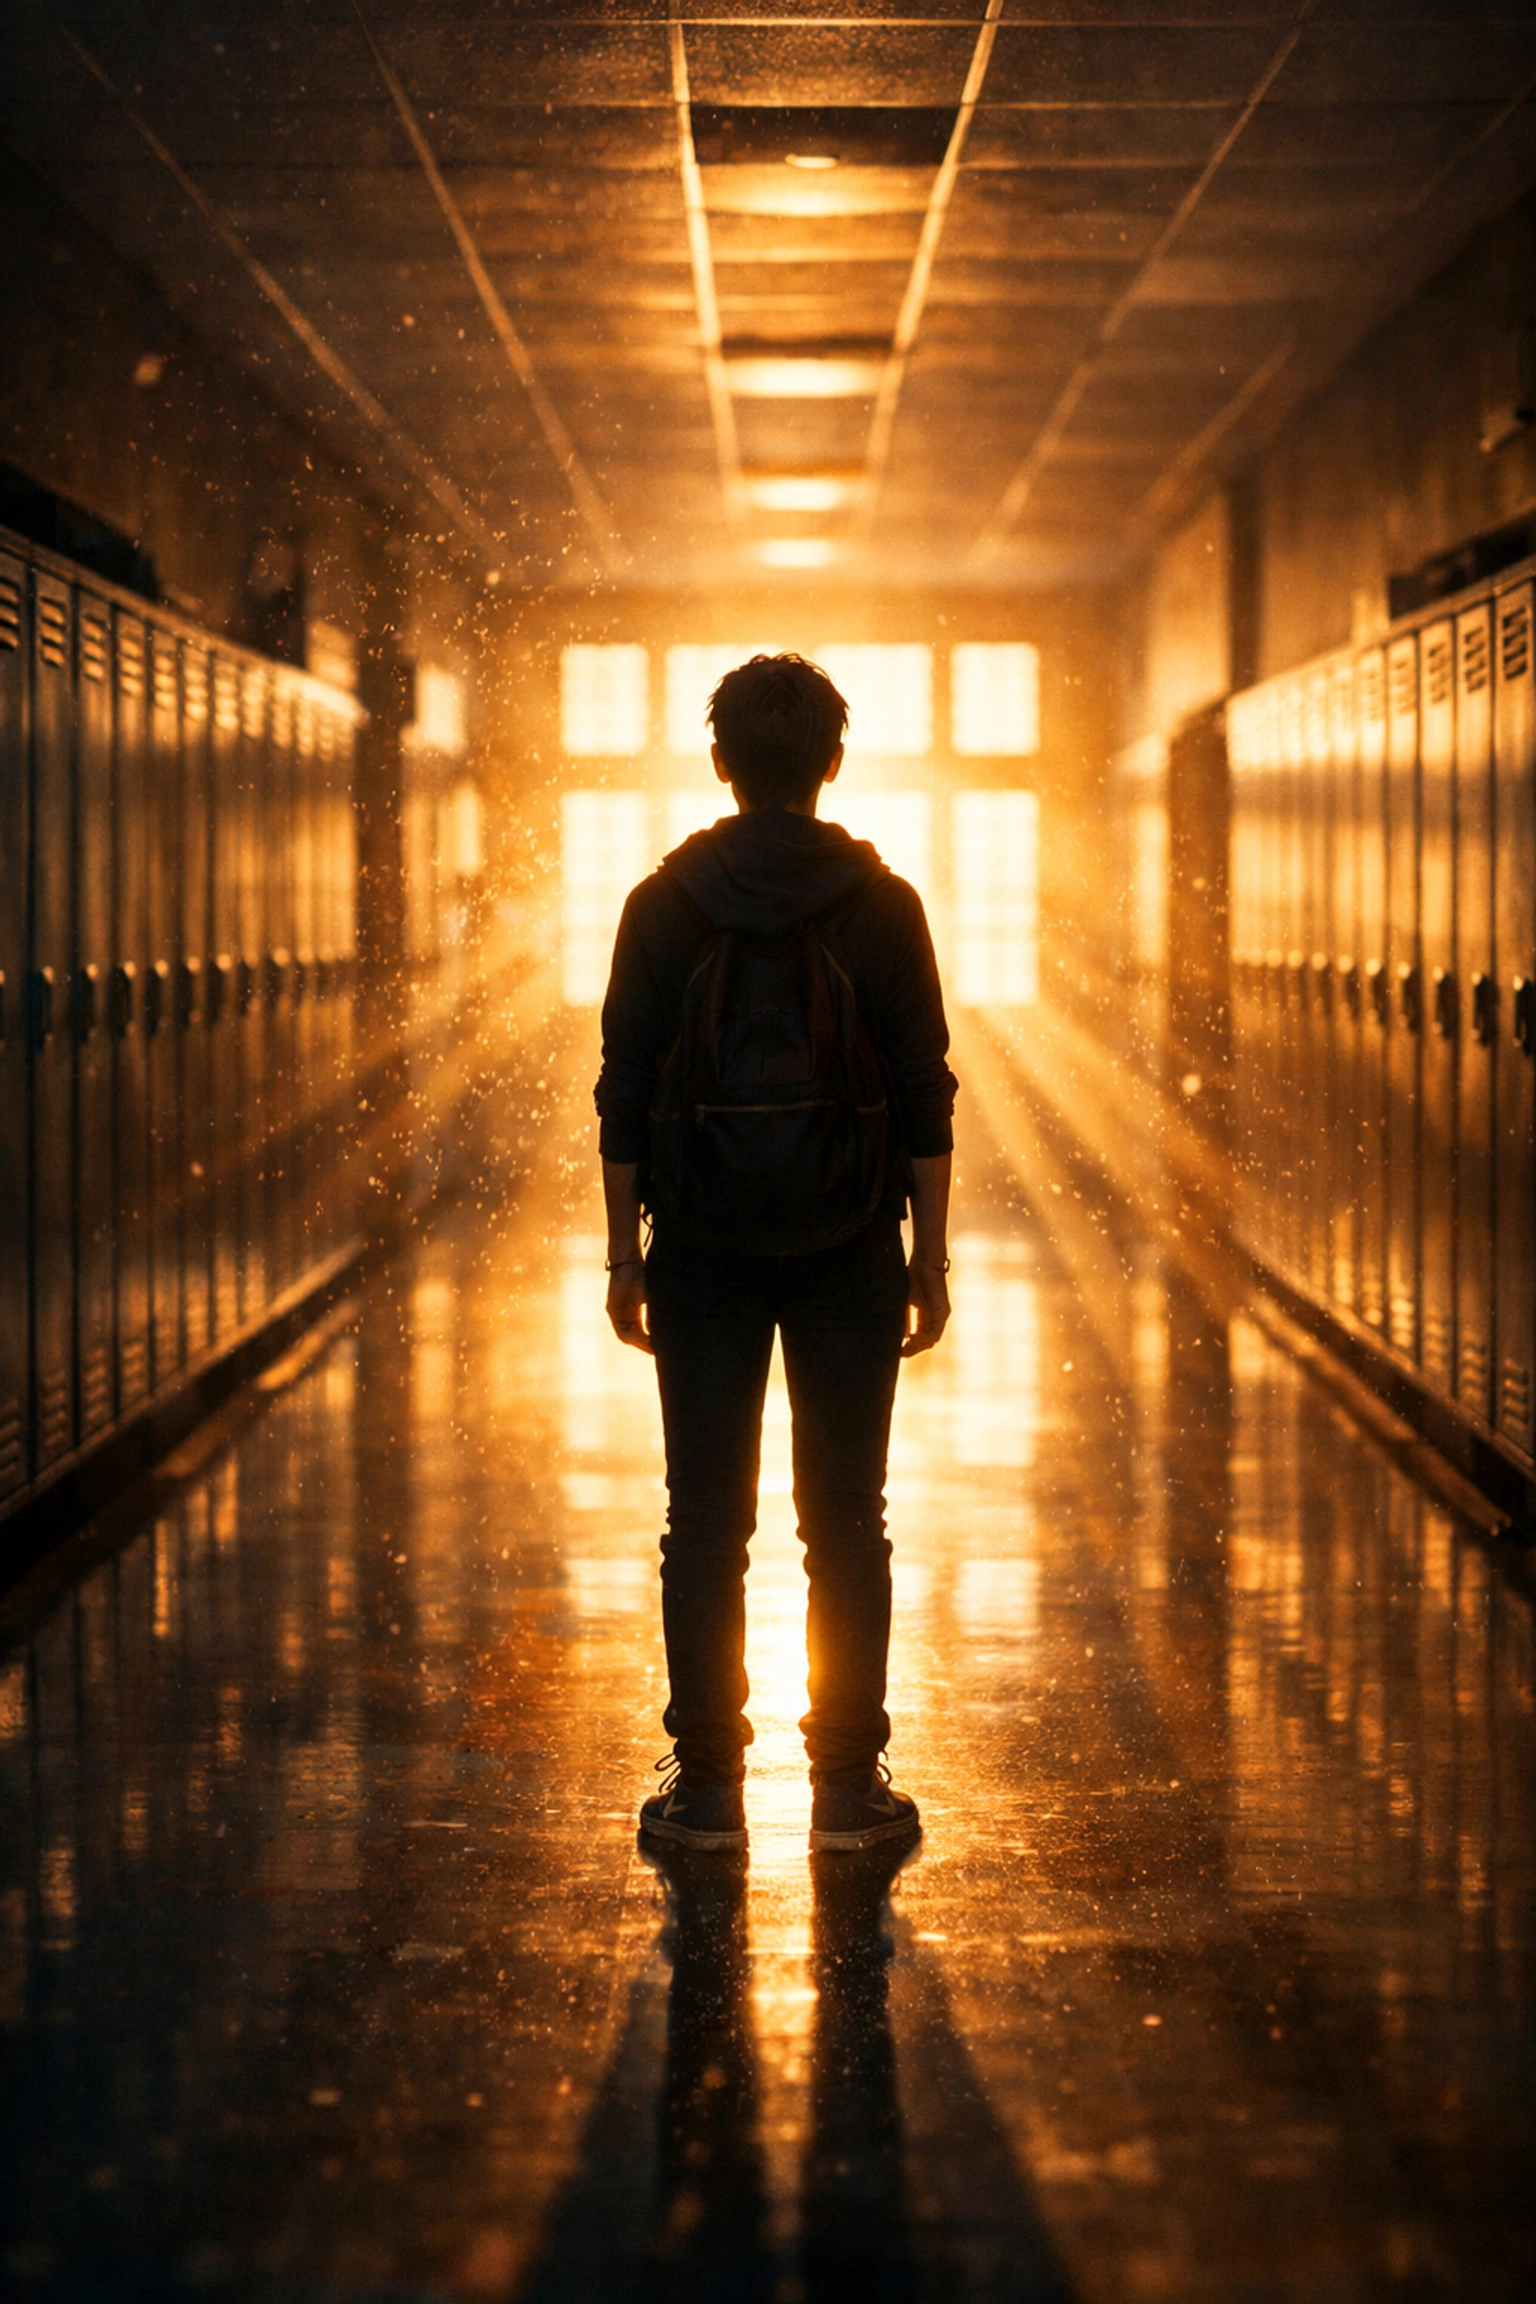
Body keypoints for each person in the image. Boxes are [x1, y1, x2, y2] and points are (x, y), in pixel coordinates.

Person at [594, 654, 957, 1853]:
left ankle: (706, 1792)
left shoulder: (663, 902)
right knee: (847, 1519)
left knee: (704, 1522)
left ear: (721, 764)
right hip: (850, 1240)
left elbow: (624, 1093)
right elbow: (922, 1097)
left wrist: (621, 1255)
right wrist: (931, 1259)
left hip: (699, 1244)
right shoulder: (884, 903)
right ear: (833, 764)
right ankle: (848, 1793)